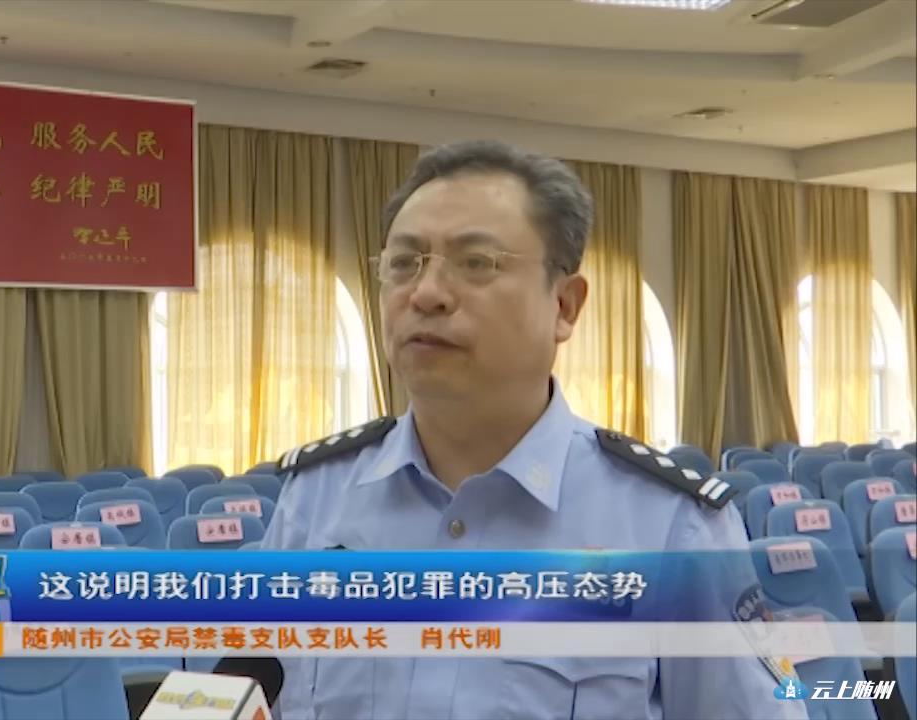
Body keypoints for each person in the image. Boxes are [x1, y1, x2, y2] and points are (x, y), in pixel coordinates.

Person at [261, 140, 807, 720]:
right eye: (403, 263)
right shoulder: (314, 501)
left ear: (565, 306)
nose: (426, 293)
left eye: (477, 263)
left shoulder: (673, 526)